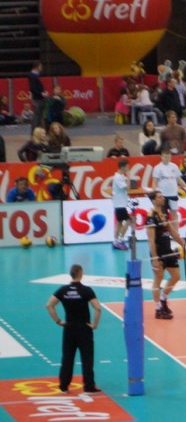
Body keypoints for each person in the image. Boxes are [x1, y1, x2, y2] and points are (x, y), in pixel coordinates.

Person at [46, 264, 101, 394]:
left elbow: (49, 305)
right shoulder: (86, 290)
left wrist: (58, 321)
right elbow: (97, 308)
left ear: (71, 274)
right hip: (84, 328)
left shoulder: (63, 290)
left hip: (69, 328)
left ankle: (63, 386)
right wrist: (95, 324)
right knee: (87, 358)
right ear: (81, 274)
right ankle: (89, 386)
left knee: (67, 358)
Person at [146, 190, 184, 320]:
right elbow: (151, 240)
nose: (162, 198)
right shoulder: (151, 216)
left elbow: (171, 230)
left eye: (162, 196)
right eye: (159, 197)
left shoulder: (164, 213)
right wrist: (154, 257)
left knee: (176, 276)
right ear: (153, 200)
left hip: (168, 250)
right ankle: (158, 309)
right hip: (158, 252)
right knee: (158, 279)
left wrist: (180, 241)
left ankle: (163, 299)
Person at [109, 158, 133, 250]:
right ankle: (120, 240)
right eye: (127, 167)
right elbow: (128, 188)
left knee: (119, 222)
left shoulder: (121, 176)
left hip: (121, 203)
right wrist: (129, 177)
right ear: (122, 167)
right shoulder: (118, 177)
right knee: (129, 220)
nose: (128, 168)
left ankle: (115, 241)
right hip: (119, 204)